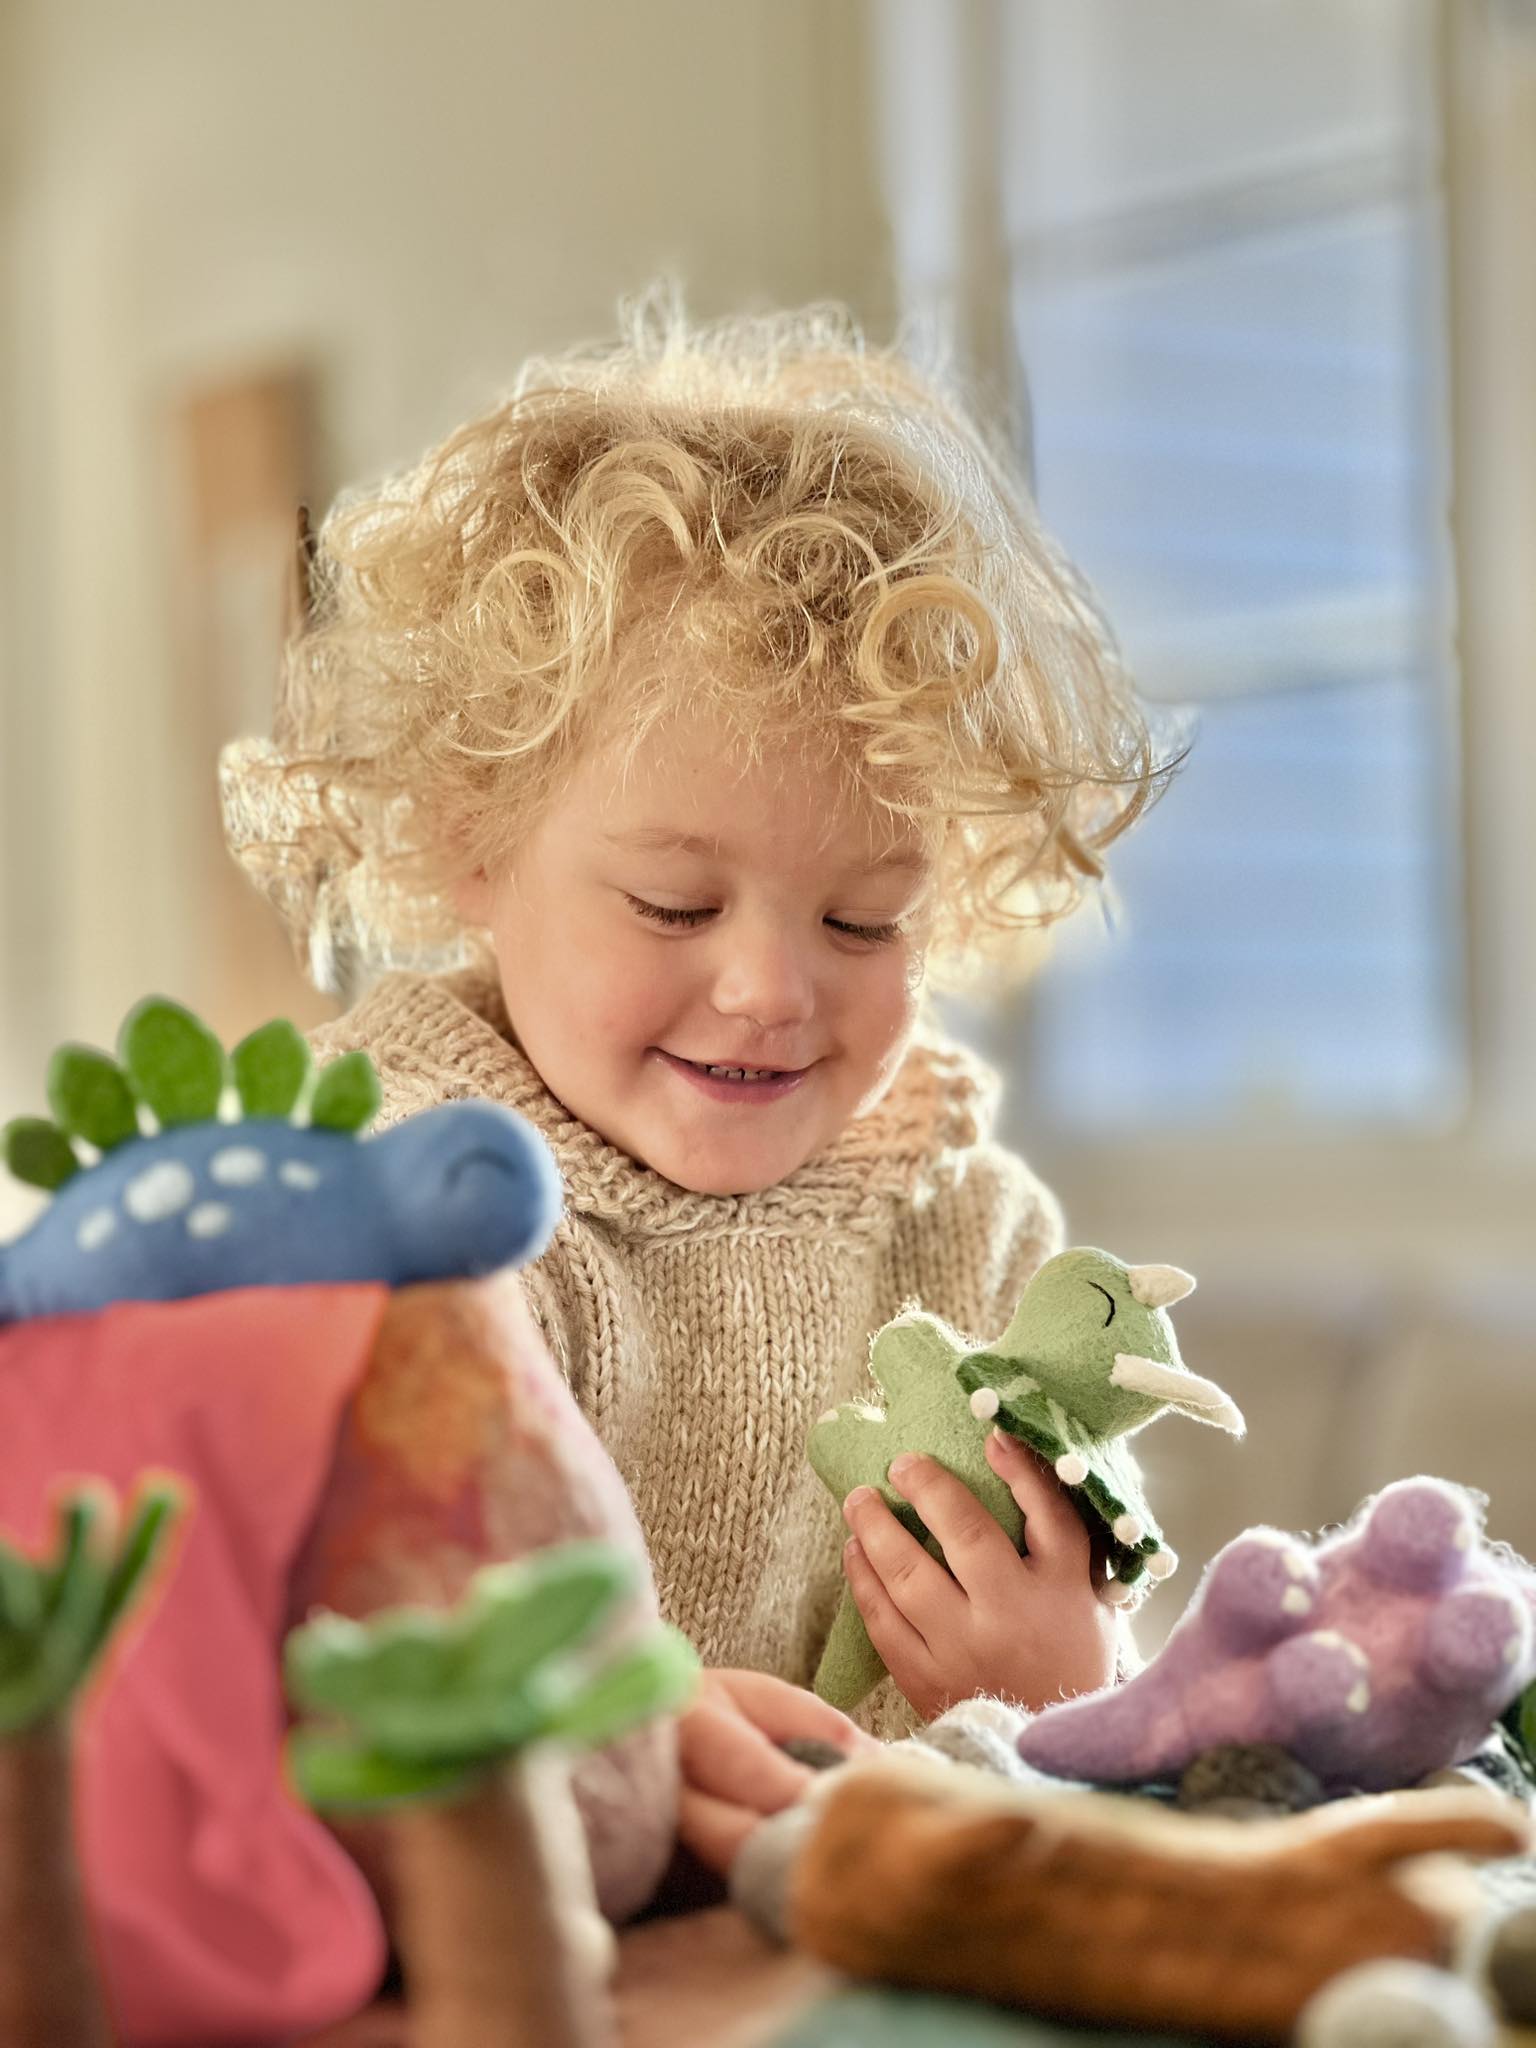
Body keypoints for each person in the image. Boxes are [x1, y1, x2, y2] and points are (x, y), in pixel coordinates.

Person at [222, 290, 1167, 1875]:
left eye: (867, 918)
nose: (771, 991)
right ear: (471, 837)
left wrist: (1066, 1689)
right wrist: (617, 1735)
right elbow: (321, 1676)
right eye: (674, 904)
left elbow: (1082, 1753)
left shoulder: (972, 1231)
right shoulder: (402, 1204)